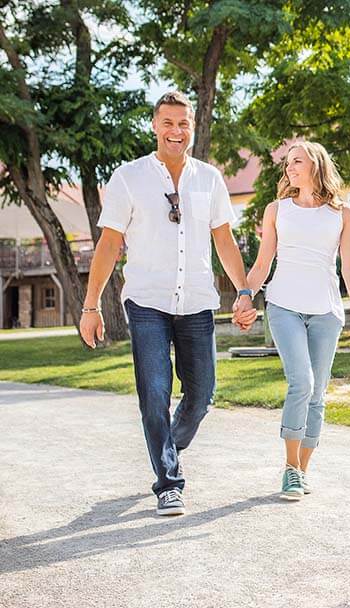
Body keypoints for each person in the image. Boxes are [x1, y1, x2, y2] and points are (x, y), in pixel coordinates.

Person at [78, 91, 258, 516]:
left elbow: (224, 240)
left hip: (196, 301)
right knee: (154, 393)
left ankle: (166, 448)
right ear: (154, 126)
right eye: (168, 123)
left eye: (183, 124)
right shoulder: (129, 177)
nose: (176, 131)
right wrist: (91, 305)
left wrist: (244, 290)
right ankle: (168, 482)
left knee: (202, 395)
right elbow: (109, 244)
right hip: (147, 302)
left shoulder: (209, 179)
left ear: (191, 128)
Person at [244, 142, 350, 500]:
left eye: (296, 161)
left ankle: (302, 470)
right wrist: (245, 295)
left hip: (326, 311)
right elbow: (263, 262)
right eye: (287, 163)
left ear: (316, 164)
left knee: (317, 394)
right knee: (302, 382)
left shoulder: (343, 213)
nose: (290, 168)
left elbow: (349, 266)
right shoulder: (276, 210)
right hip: (284, 306)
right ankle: (289, 468)